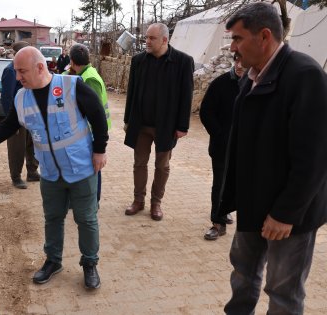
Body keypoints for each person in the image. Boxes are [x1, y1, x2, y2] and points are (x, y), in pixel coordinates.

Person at [0, 46, 108, 289]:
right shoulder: (22, 97)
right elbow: (8, 126)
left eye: (22, 71)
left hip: (82, 168)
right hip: (51, 173)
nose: (18, 77)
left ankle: (89, 263)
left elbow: (98, 115)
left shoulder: (72, 86)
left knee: (86, 219)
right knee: (52, 218)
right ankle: (53, 261)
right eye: (16, 72)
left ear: (40, 67)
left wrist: (100, 150)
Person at [218, 3, 327, 313]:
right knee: (242, 276)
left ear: (264, 36)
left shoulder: (305, 76)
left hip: (289, 217)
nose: (233, 47)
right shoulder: (251, 77)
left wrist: (286, 213)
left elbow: (315, 157)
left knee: (283, 294)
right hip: (254, 206)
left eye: (238, 38)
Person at [123, 23, 194, 221]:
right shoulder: (138, 61)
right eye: (146, 37)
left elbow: (186, 96)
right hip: (141, 124)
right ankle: (138, 200)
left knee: (162, 166)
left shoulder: (183, 62)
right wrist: (128, 119)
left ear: (164, 40)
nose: (147, 41)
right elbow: (132, 92)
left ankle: (156, 203)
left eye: (151, 38)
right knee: (139, 163)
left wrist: (182, 126)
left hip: (167, 126)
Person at [199, 57, 245, 240]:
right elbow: (206, 111)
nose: (240, 65)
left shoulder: (257, 83)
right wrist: (219, 134)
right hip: (222, 147)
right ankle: (217, 223)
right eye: (237, 61)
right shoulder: (220, 83)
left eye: (244, 61)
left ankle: (228, 212)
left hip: (247, 148)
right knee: (220, 184)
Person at [68, 43, 112, 208]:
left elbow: (95, 111)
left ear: (72, 61)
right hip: (87, 130)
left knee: (94, 166)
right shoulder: (83, 73)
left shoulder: (89, 78)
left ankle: (94, 201)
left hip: (93, 131)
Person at [1, 41, 40, 189]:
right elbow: (6, 97)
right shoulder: (10, 70)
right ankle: (16, 176)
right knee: (17, 148)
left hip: (31, 114)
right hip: (17, 117)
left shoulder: (27, 69)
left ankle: (32, 172)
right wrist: (10, 122)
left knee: (32, 143)